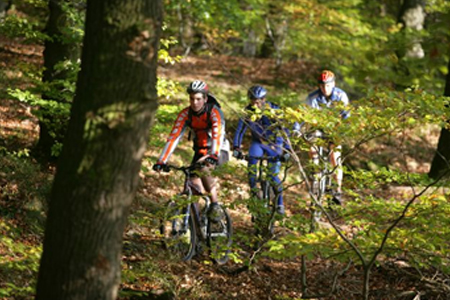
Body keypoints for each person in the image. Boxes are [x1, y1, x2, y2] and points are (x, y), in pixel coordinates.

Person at [153, 80, 226, 218]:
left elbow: (218, 135)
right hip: (200, 152)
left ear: (205, 99)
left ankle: (215, 205)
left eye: (198, 99)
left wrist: (214, 154)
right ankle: (196, 225)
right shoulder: (185, 114)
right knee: (191, 183)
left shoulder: (214, 112)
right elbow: (173, 137)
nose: (195, 102)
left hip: (219, 150)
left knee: (204, 169)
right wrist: (161, 160)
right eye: (192, 99)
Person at [232, 85, 292, 215]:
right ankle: (254, 192)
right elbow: (240, 130)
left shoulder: (274, 110)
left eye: (259, 100)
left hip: (275, 143)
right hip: (258, 143)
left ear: (264, 99)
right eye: (253, 100)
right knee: (252, 166)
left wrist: (286, 150)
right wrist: (236, 147)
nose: (256, 103)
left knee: (273, 175)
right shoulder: (248, 112)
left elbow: (285, 130)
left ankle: (280, 203)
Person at [305, 70, 350, 204]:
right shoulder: (313, 97)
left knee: (335, 157)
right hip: (317, 127)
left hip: (335, 128)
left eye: (328, 85)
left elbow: (346, 116)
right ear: (319, 86)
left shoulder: (341, 95)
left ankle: (337, 190)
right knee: (312, 146)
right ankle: (315, 174)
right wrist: (297, 128)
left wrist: (344, 128)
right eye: (323, 85)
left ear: (333, 84)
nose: (325, 88)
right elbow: (305, 116)